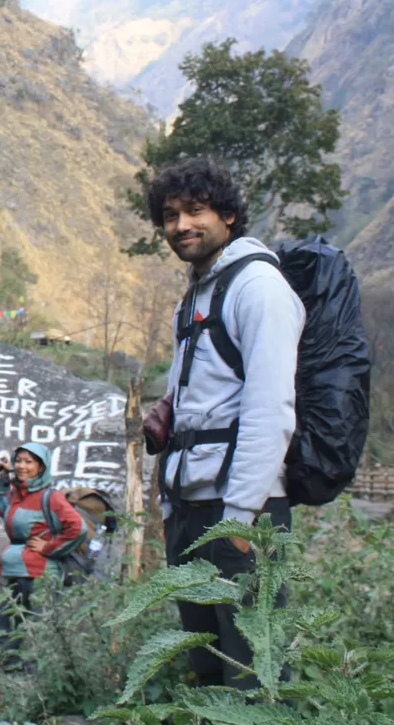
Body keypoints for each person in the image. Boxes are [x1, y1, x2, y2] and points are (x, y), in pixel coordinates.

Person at [146, 158, 303, 689]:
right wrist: (170, 507)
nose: (181, 226)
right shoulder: (194, 296)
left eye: (195, 211)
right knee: (208, 666)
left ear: (229, 215)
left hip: (241, 513)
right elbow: (186, 399)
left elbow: (270, 409)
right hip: (191, 507)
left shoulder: (258, 288)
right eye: (170, 216)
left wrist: (239, 521)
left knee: (252, 672)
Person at [0, 442, 84, 626]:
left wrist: (49, 547)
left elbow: (78, 528)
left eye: (29, 462)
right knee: (5, 631)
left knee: (36, 632)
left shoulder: (51, 496)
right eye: (18, 461)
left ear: (41, 467)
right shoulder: (17, 495)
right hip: (17, 574)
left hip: (40, 576)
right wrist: (3, 477)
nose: (21, 466)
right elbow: (1, 508)